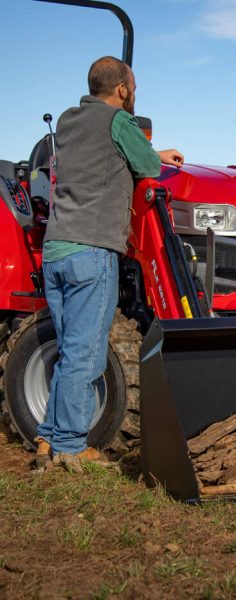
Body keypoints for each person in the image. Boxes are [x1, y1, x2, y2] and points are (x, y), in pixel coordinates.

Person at [35, 56, 184, 469]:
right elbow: (149, 165)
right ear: (122, 89)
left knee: (69, 351)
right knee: (87, 354)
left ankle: (48, 438)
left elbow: (100, 152)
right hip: (91, 251)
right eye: (132, 86)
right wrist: (155, 151)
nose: (133, 93)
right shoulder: (120, 122)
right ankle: (69, 445)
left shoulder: (67, 120)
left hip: (56, 251)